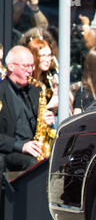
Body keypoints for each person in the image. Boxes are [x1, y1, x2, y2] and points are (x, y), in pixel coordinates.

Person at [0, 46, 55, 178]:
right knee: (34, 165)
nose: (30, 71)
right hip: (9, 151)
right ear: (11, 67)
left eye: (32, 66)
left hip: (34, 148)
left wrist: (47, 122)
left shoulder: (34, 91)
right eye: (26, 66)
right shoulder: (1, 92)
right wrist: (21, 146)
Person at [27, 37, 61, 114]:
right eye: (43, 55)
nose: (47, 59)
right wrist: (50, 105)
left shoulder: (49, 78)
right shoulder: (27, 80)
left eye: (49, 55)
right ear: (34, 56)